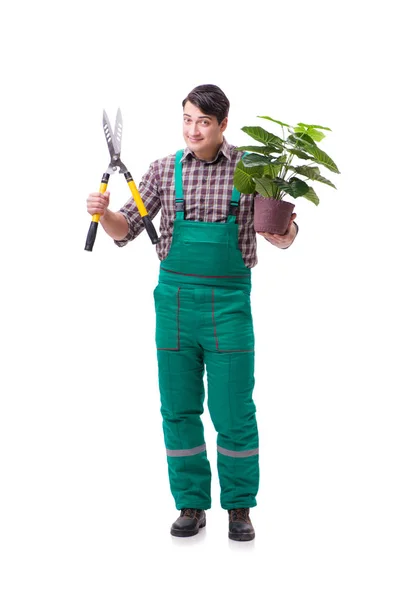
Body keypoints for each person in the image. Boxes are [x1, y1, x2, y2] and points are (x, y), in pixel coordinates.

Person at [86, 84, 298, 542]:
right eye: (187, 119)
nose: (193, 130)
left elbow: (283, 229)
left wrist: (286, 233)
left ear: (223, 124)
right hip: (175, 304)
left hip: (229, 306)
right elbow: (129, 227)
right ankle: (190, 504)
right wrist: (104, 216)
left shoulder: (252, 171)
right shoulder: (164, 170)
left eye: (203, 121)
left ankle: (239, 507)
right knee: (178, 408)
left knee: (233, 409)